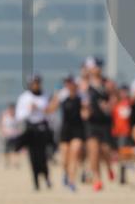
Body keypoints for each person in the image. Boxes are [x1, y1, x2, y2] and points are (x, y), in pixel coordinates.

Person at [46, 76, 85, 191]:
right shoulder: (62, 95)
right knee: (65, 158)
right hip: (65, 129)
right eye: (67, 83)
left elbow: (86, 112)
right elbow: (50, 109)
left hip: (78, 129)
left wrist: (86, 110)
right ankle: (65, 174)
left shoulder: (81, 96)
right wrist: (54, 99)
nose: (69, 85)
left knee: (75, 154)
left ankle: (72, 181)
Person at [81, 58, 114, 191]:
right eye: (95, 66)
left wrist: (109, 105)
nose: (97, 69)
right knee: (93, 151)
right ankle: (97, 178)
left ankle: (109, 166)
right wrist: (84, 110)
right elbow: (81, 99)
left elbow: (115, 98)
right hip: (91, 122)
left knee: (105, 149)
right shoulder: (85, 84)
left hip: (104, 122)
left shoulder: (107, 83)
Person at [15, 75, 51, 190]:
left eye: (37, 83)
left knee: (43, 156)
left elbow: (50, 113)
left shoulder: (45, 96)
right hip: (30, 129)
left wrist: (42, 110)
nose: (36, 85)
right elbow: (19, 116)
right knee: (33, 157)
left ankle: (47, 178)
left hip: (43, 128)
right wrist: (29, 110)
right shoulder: (24, 98)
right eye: (34, 83)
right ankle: (36, 183)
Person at [0, 103, 21, 168]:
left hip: (15, 135)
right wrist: (2, 131)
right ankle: (7, 163)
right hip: (7, 135)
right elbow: (1, 124)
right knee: (6, 150)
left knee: (16, 150)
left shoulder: (17, 116)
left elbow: (19, 125)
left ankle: (16, 163)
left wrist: (19, 132)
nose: (12, 110)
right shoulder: (5, 115)